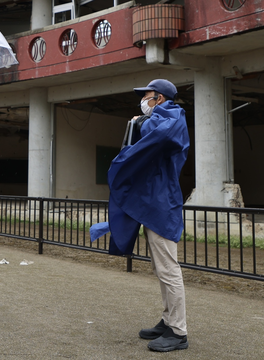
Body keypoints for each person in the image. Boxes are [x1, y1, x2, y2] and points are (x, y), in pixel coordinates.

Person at [91, 79, 189, 352]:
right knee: (160, 267)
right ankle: (168, 321)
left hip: (161, 205)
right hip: (153, 203)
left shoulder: (173, 115)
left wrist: (141, 123)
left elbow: (163, 132)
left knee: (168, 268)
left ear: (158, 98)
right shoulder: (160, 116)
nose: (142, 101)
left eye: (146, 95)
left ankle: (179, 332)